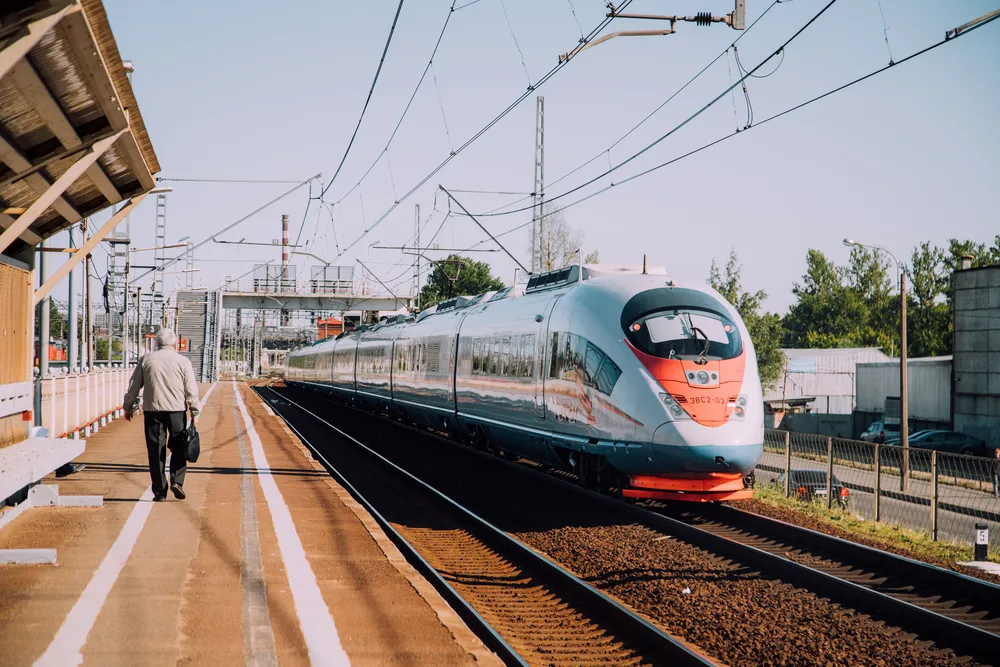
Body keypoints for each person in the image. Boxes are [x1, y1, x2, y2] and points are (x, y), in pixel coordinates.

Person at [123, 328, 200, 501]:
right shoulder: (183, 361)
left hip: (153, 411)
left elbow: (134, 385)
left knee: (155, 450)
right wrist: (195, 410)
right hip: (177, 411)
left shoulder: (147, 360)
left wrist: (128, 405)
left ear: (157, 343)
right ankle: (177, 482)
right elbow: (190, 389)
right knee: (180, 446)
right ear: (175, 343)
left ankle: (159, 492)